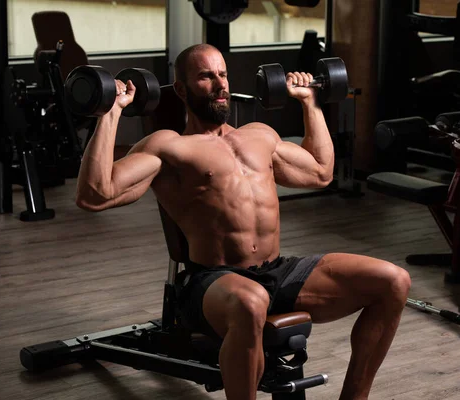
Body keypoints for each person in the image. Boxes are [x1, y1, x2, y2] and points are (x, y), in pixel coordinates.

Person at [75, 44, 411, 400]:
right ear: (181, 90)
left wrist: (310, 103)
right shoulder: (167, 146)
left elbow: (321, 172)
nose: (220, 84)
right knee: (251, 302)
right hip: (213, 282)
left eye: (223, 74)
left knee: (393, 281)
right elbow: (96, 194)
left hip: (277, 272)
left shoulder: (259, 135)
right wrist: (109, 114)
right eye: (206, 76)